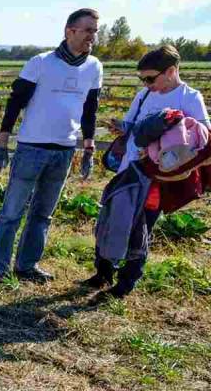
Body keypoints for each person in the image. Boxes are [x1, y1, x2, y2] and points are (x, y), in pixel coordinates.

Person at [0, 8, 103, 284]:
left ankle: (27, 266)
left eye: (95, 31)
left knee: (43, 214)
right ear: (69, 31)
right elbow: (15, 103)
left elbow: (90, 109)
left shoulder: (94, 67)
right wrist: (2, 143)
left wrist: (88, 147)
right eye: (87, 31)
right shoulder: (40, 63)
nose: (92, 37)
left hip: (64, 151)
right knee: (12, 212)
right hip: (31, 148)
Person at [87, 44, 209, 297]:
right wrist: (123, 128)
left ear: (171, 71)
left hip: (157, 178)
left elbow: (203, 140)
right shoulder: (144, 95)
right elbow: (132, 125)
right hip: (129, 169)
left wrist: (173, 158)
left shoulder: (189, 97)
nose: (146, 84)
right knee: (111, 218)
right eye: (142, 79)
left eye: (150, 78)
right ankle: (103, 272)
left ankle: (125, 284)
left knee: (139, 227)